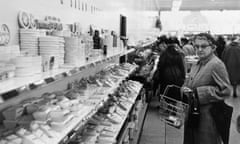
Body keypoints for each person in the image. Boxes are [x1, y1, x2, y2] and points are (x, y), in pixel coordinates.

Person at [184, 33, 232, 144]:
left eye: (203, 46)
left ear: (213, 47)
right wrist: (185, 88)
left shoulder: (216, 64)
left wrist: (200, 92)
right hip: (193, 113)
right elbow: (191, 81)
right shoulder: (197, 63)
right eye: (196, 46)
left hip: (208, 117)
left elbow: (226, 90)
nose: (199, 49)